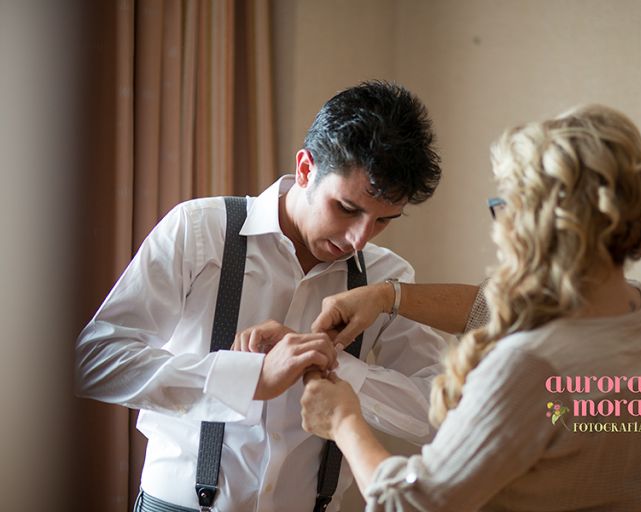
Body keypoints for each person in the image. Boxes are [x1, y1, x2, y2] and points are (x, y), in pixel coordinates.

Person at [75, 81, 449, 512]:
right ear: (306, 169)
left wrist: (330, 363)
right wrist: (248, 377)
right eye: (347, 209)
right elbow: (97, 360)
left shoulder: (387, 279)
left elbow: (432, 413)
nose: (359, 239)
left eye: (384, 221)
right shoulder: (198, 230)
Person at [301, 104, 641, 511]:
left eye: (505, 204)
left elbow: (411, 504)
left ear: (535, 221)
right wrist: (387, 296)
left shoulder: (529, 365)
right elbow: (496, 309)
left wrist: (343, 422)